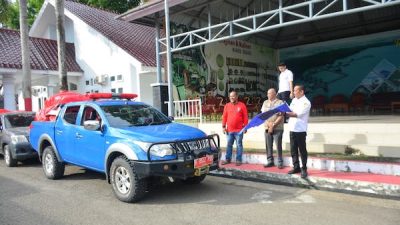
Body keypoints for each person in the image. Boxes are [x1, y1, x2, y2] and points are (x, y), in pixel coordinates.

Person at [286, 85, 311, 178]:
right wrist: (282, 110)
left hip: (300, 130)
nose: (294, 92)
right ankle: (296, 167)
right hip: (292, 128)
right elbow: (289, 110)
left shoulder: (306, 102)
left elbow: (297, 114)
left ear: (302, 92)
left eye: (296, 91)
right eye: (293, 91)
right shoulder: (294, 100)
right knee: (293, 149)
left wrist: (285, 113)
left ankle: (304, 168)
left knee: (302, 150)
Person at [221, 91, 248, 166]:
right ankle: (227, 159)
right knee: (229, 144)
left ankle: (238, 160)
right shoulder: (227, 105)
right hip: (229, 130)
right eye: (230, 96)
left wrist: (245, 127)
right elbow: (224, 117)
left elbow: (245, 117)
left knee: (239, 145)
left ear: (237, 96)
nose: (231, 98)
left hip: (239, 130)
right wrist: (223, 126)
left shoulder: (242, 105)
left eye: (233, 96)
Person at [261, 88, 284, 169]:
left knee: (278, 145)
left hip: (278, 127)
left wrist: (273, 125)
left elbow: (281, 115)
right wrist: (269, 124)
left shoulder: (280, 102)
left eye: (270, 93)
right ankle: (270, 161)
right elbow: (263, 115)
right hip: (267, 127)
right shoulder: (265, 102)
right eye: (267, 93)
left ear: (274, 94)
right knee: (268, 145)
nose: (268, 95)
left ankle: (280, 162)